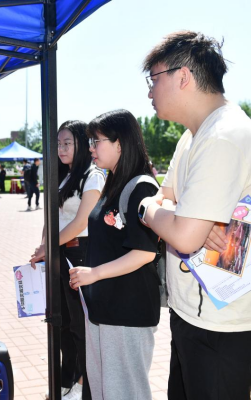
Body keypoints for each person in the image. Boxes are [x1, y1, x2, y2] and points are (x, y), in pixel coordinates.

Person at [138, 31, 251, 400]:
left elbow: (182, 233)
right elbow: (166, 198)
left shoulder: (222, 135)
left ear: (182, 76)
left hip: (227, 323)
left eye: (154, 80)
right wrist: (176, 217)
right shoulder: (193, 136)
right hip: (195, 313)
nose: (150, 92)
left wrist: (149, 212)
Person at [69, 110, 160, 399]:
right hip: (103, 309)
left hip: (127, 311)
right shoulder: (112, 182)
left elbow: (145, 252)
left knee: (125, 392)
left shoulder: (141, 186)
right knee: (105, 390)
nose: (91, 149)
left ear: (120, 143)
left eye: (96, 141)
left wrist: (94, 273)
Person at [30, 120, 104, 400]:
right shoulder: (64, 175)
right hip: (60, 254)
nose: (61, 149)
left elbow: (80, 222)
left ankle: (84, 385)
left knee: (79, 325)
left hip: (79, 255)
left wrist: (48, 247)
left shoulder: (92, 176)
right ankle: (65, 381)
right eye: (58, 143)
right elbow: (52, 217)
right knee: (61, 323)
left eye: (67, 143)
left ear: (83, 145)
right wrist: (44, 246)